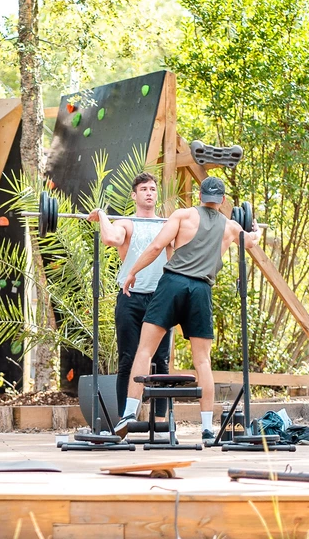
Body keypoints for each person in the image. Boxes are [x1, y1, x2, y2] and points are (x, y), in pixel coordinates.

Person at [113, 176, 260, 443]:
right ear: (223, 201)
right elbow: (250, 242)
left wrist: (132, 272)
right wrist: (256, 229)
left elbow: (157, 247)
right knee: (202, 360)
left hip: (172, 285)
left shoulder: (183, 215)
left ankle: (128, 414)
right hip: (201, 291)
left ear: (200, 196)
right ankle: (206, 428)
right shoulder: (231, 227)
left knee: (145, 350)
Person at [86, 172, 172, 420]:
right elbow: (110, 238)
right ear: (134, 195)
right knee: (127, 360)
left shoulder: (167, 225)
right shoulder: (126, 223)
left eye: (153, 189)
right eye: (144, 189)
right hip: (130, 297)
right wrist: (102, 214)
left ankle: (161, 423)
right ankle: (126, 419)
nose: (149, 192)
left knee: (161, 361)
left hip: (160, 298)